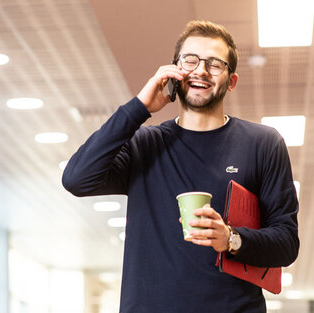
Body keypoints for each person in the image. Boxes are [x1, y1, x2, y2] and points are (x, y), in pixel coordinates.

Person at [62, 20, 299, 313]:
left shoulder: (262, 143)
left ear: (231, 81)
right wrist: (139, 108)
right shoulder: (145, 144)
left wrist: (231, 238)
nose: (201, 70)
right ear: (175, 71)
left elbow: (286, 243)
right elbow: (77, 178)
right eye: (191, 60)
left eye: (214, 64)